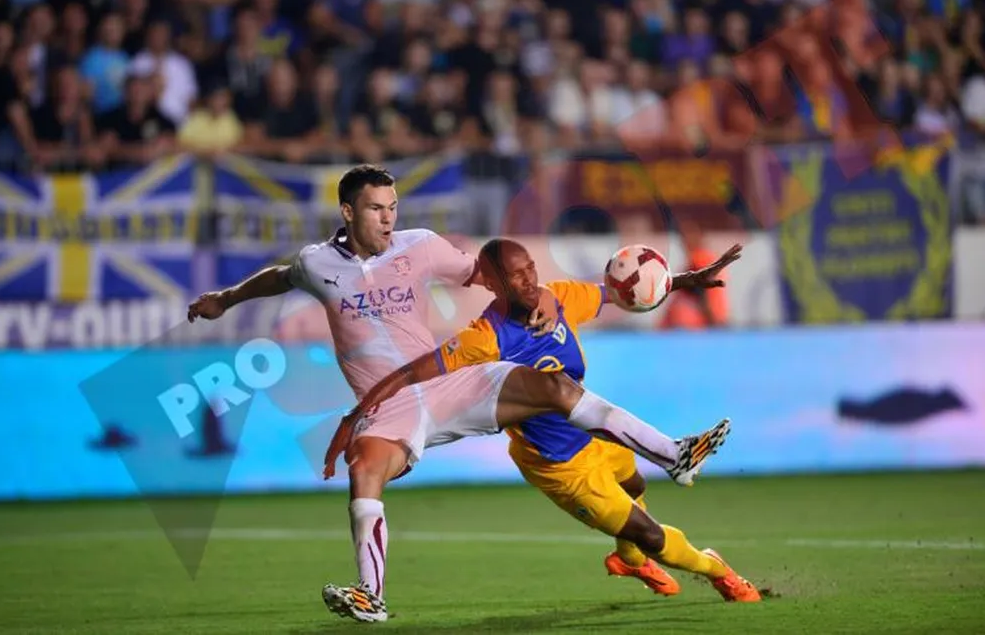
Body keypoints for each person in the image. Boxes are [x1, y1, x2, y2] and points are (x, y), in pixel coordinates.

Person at [188, 165, 727, 624]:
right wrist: (226, 297)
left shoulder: (420, 246)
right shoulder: (317, 264)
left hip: (447, 385)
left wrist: (539, 296)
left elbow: (492, 274)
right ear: (348, 212)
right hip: (389, 404)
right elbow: (281, 277)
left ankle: (673, 454)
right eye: (375, 209)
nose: (388, 218)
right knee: (364, 469)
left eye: (392, 207)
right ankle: (371, 595)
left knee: (554, 386)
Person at [327, 238, 758, 612]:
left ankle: (628, 558)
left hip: (596, 432)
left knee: (635, 486)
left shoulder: (561, 296)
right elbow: (415, 371)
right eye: (516, 275)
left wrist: (685, 280)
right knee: (651, 535)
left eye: (530, 267)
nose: (529, 279)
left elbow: (622, 291)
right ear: (494, 284)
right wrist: (357, 414)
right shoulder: (485, 338)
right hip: (559, 463)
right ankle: (716, 569)